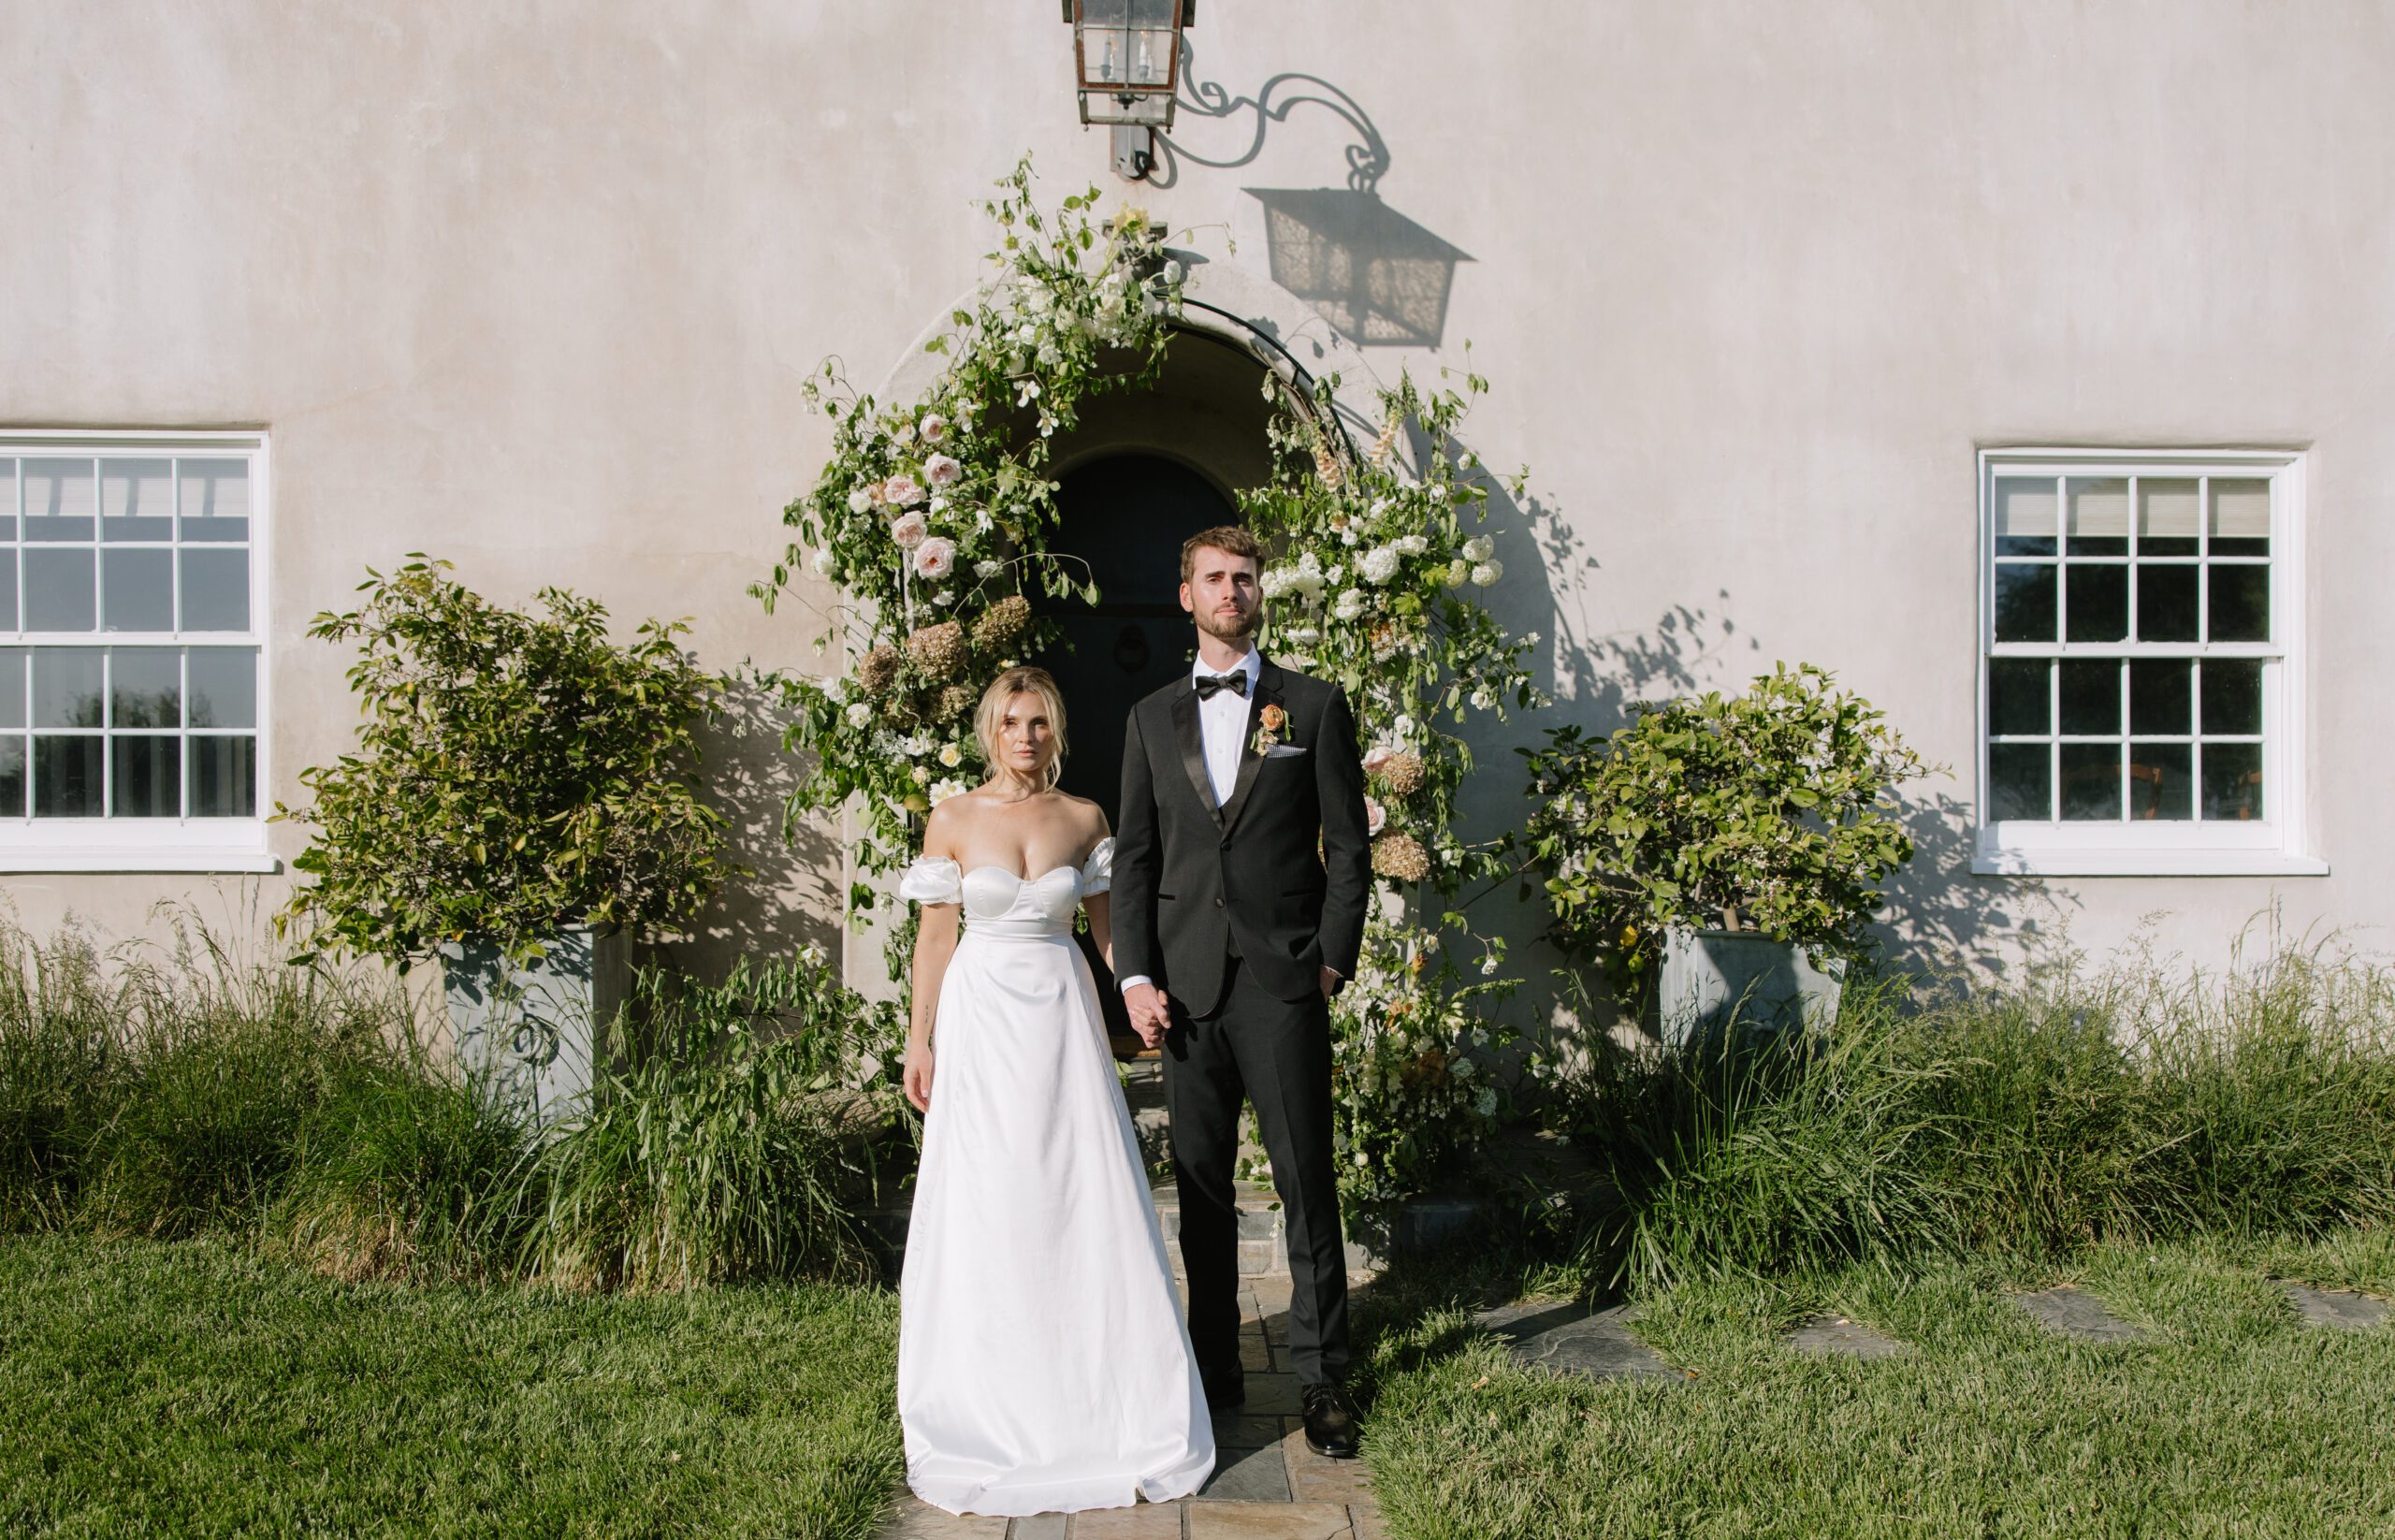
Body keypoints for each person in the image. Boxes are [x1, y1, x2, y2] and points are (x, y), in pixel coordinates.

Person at [893, 665, 1215, 1518]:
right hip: (984, 1017)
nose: (1026, 737)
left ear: (1055, 730)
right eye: (1011, 722)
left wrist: (1140, 991)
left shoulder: (1084, 819)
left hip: (1062, 1015)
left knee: (1075, 1190)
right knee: (993, 1195)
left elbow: (1110, 935)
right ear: (990, 731)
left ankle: (1100, 1398)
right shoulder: (953, 817)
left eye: (1038, 722)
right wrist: (919, 1040)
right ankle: (991, 1398)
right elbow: (936, 939)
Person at [1112, 525, 1370, 1460]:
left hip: (1282, 983)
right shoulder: (1147, 717)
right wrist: (1135, 974)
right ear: (1185, 595)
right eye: (1215, 578)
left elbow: (1349, 851)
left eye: (1245, 578)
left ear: (1261, 593)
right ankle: (1215, 1369)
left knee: (1307, 1182)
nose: (1232, 591)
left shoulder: (1313, 705)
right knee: (1203, 1188)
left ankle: (1321, 1378)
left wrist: (1328, 962)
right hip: (1184, 992)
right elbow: (1134, 860)